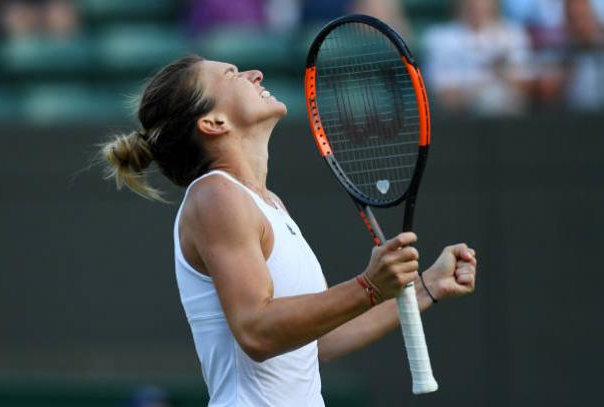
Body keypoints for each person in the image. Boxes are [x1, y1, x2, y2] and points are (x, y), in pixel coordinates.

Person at [100, 55, 478, 406]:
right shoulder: (215, 194)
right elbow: (257, 332)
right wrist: (369, 285)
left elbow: (321, 341)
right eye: (232, 75)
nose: (255, 74)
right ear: (214, 123)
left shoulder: (269, 204)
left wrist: (427, 286)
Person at [422, 0, 534, 116]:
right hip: (461, 120)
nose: (477, 4)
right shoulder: (440, 38)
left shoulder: (513, 34)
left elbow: (526, 84)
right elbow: (443, 94)